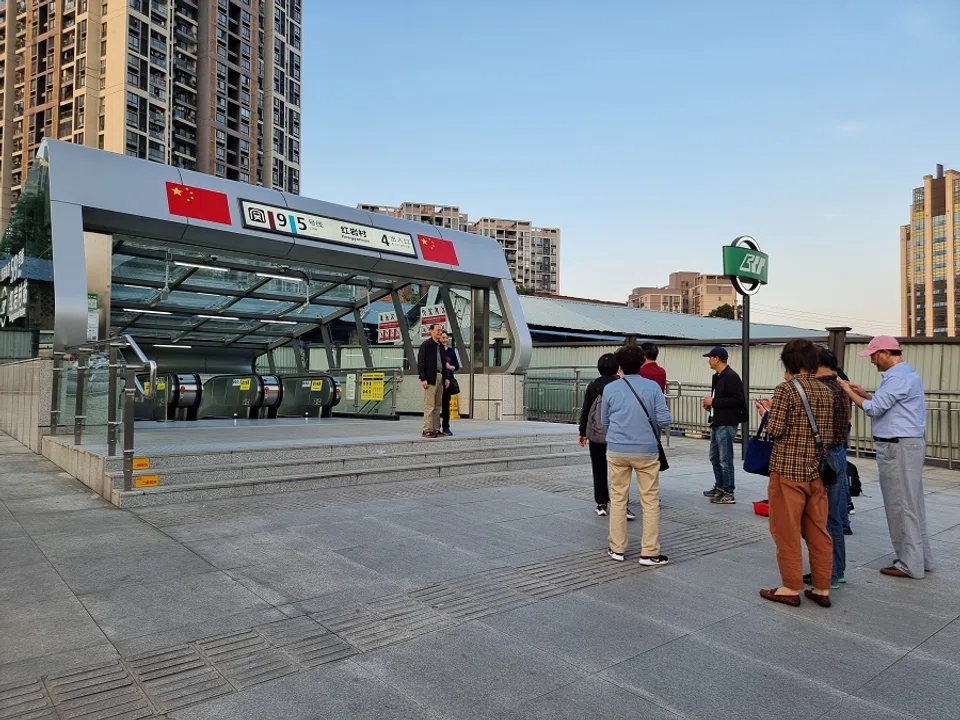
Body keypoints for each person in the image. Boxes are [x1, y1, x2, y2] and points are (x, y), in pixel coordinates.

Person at [838, 335, 934, 579]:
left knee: (900, 505)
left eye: (873, 355)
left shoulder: (897, 377)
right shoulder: (905, 375)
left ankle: (909, 563)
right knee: (911, 504)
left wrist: (848, 391)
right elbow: (885, 404)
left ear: (884, 353)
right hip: (905, 444)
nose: (872, 361)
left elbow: (874, 409)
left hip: (897, 447)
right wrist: (866, 393)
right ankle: (920, 559)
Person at [755, 338, 836, 608]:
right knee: (818, 531)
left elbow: (775, 430)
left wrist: (766, 413)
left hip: (788, 471)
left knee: (786, 531)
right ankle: (822, 588)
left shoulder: (786, 389)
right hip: (816, 472)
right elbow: (832, 433)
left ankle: (790, 587)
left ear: (789, 362)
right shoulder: (827, 391)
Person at [601, 344, 672, 566]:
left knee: (618, 498)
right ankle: (649, 552)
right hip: (646, 451)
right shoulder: (653, 388)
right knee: (649, 500)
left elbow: (604, 421)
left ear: (619, 366)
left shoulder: (611, 389)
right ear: (642, 363)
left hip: (617, 450)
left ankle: (617, 548)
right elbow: (665, 420)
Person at [802, 348, 850, 589]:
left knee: (822, 518)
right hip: (840, 453)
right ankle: (837, 571)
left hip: (825, 457)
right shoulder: (843, 386)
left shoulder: (821, 389)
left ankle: (827, 574)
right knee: (834, 517)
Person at [578, 353, 634, 520]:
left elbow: (586, 410)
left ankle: (601, 504)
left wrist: (582, 433)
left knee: (599, 468)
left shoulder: (593, 386)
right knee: (620, 472)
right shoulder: (622, 385)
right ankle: (623, 506)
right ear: (617, 368)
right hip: (618, 435)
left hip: (596, 435)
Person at [701, 347, 747, 505]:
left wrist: (713, 402)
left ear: (717, 359)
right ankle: (719, 486)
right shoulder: (718, 376)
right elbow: (722, 399)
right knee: (715, 457)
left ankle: (728, 491)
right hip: (717, 421)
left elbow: (738, 400)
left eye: (710, 357)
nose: (708, 360)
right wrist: (711, 406)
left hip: (726, 423)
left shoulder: (731, 376)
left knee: (725, 458)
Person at [417, 324, 449, 438]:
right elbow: (421, 362)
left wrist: (446, 378)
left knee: (437, 405)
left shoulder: (440, 345)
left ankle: (436, 429)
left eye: (441, 330)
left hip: (440, 376)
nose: (440, 332)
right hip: (430, 376)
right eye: (437, 330)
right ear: (431, 331)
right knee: (429, 405)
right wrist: (423, 378)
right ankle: (427, 430)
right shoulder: (426, 345)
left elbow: (444, 363)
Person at [439, 330, 460, 436]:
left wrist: (450, 367)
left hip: (448, 380)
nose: (445, 340)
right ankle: (435, 427)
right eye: (442, 338)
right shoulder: (437, 351)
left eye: (446, 338)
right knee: (436, 404)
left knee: (446, 404)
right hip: (438, 380)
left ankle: (446, 427)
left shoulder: (451, 351)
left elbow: (456, 366)